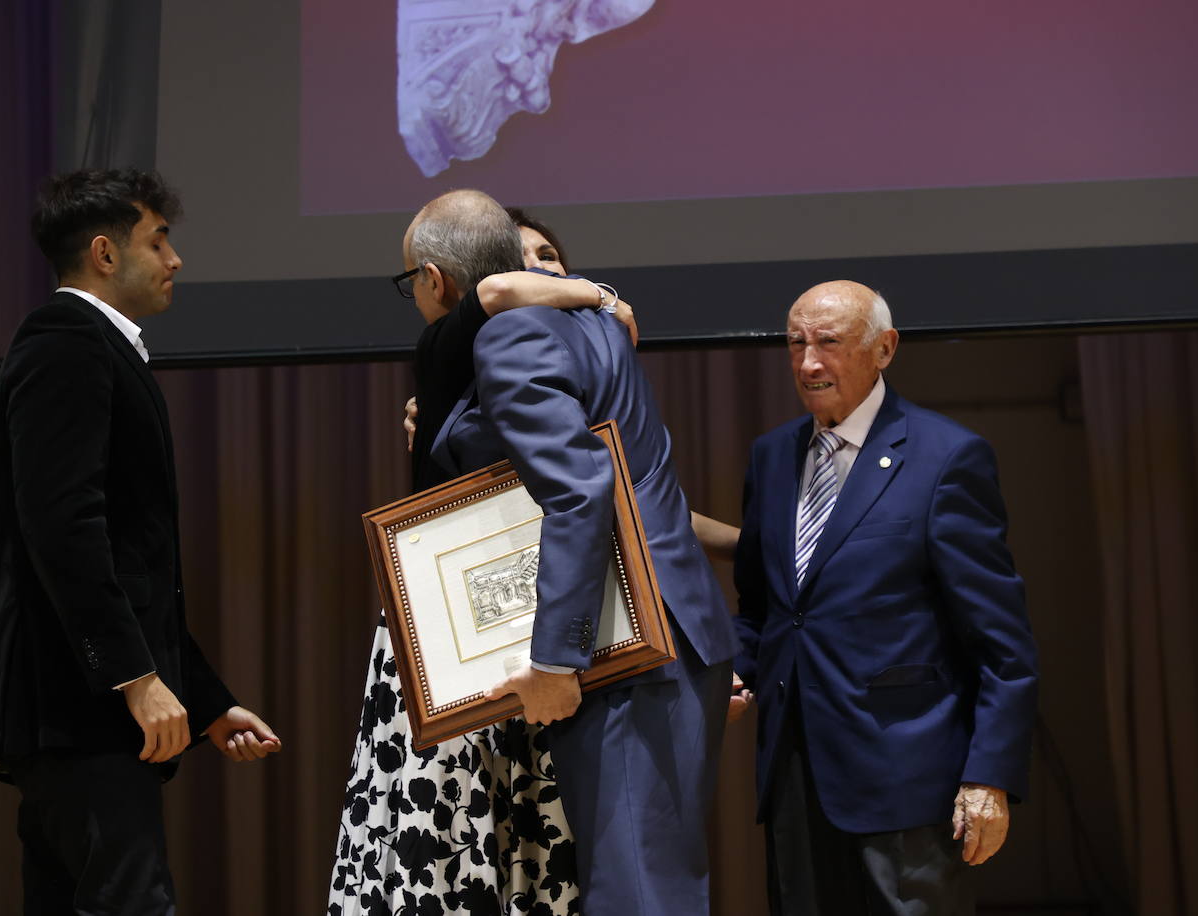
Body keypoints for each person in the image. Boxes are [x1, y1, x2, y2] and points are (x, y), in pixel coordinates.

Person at [415, 190, 736, 916]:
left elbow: (580, 492)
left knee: (638, 893)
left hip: (628, 648)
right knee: (655, 880)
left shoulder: (512, 336)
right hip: (666, 633)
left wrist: (559, 660)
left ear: (439, 281)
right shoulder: (596, 326)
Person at [0, 168, 281, 915]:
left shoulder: (90, 347)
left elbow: (134, 566)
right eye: (160, 239)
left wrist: (205, 703)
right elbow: (64, 529)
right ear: (106, 254)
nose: (175, 259)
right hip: (78, 713)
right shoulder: (67, 344)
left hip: (80, 712)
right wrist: (134, 679)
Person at [330, 207, 633, 915]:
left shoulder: (557, 359)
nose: (540, 276)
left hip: (526, 621)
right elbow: (495, 295)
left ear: (432, 279)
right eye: (528, 263)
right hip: (448, 632)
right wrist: (608, 298)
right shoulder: (459, 341)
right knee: (446, 841)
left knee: (522, 837)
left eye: (552, 260)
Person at [731, 280, 1040, 915]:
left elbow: (1003, 644)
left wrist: (990, 777)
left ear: (884, 349)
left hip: (906, 780)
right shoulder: (771, 457)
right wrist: (734, 670)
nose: (809, 362)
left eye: (829, 343)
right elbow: (764, 610)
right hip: (794, 772)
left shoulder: (946, 457)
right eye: (796, 344)